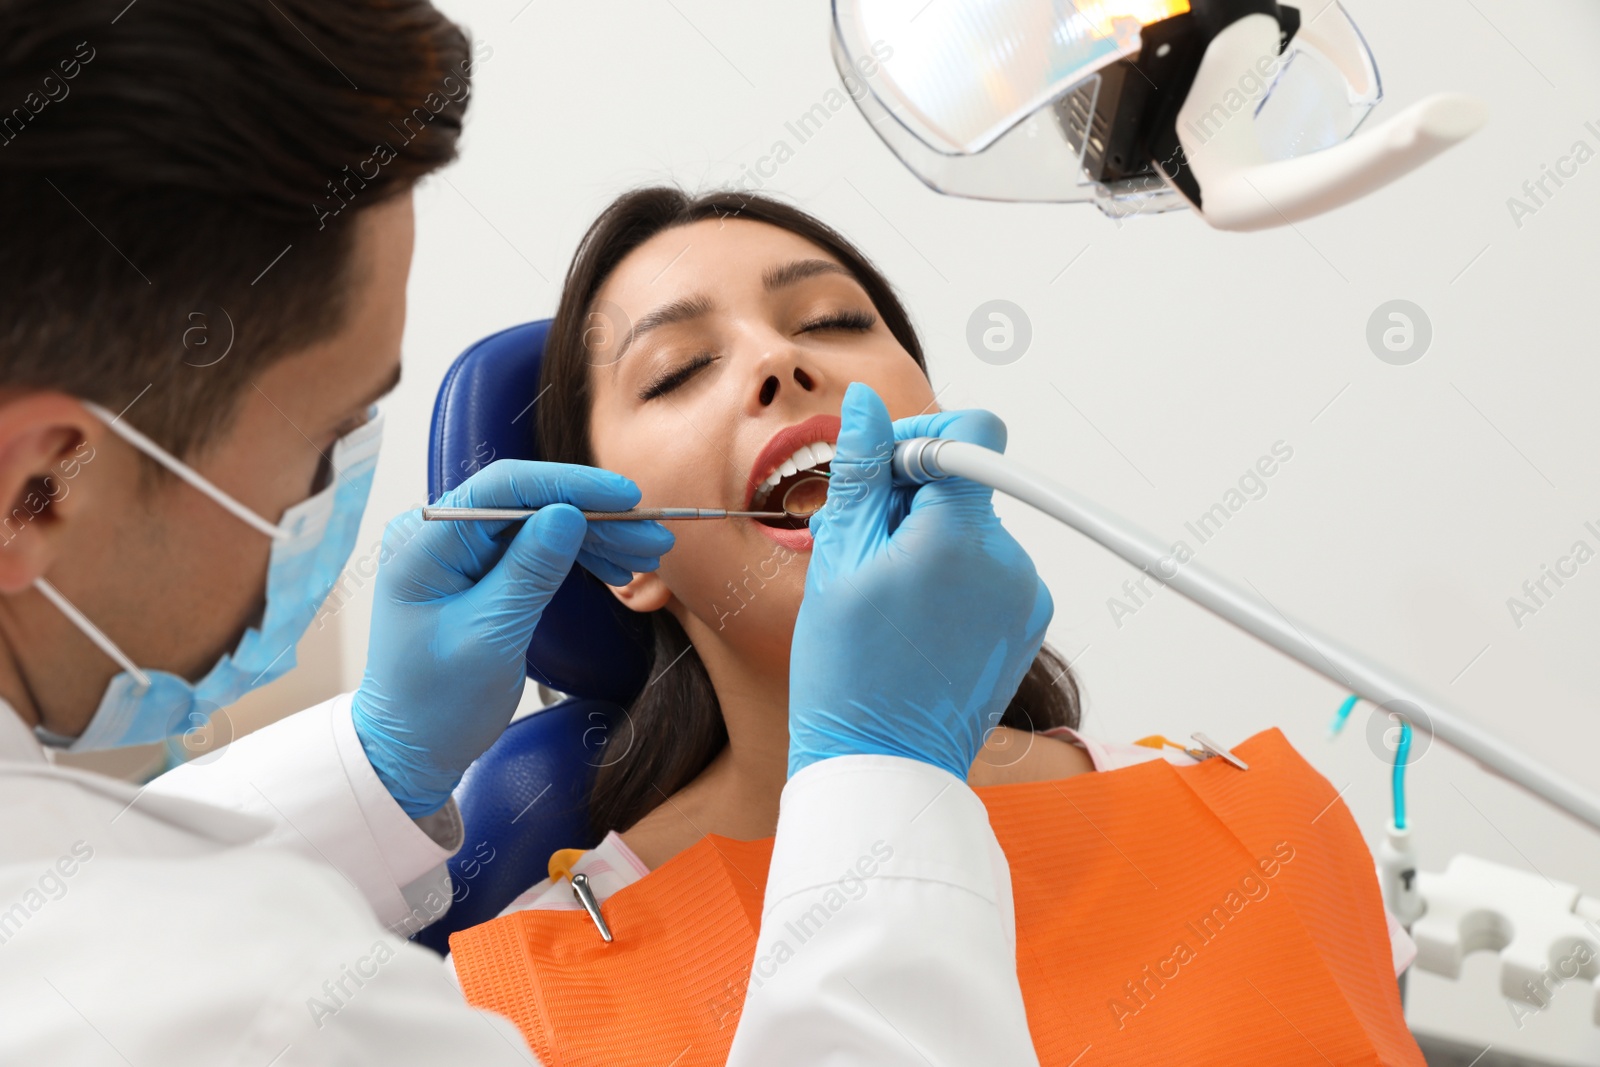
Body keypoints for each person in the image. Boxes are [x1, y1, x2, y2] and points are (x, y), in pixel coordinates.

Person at [0, 4, 1066, 1065]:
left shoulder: (1225, 786)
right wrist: (884, 774)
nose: (775, 367)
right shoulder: (433, 996)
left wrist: (377, 759)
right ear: (37, 489)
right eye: (327, 435)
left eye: (833, 321)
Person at [445, 187, 1427, 1066]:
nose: (778, 360)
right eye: (675, 369)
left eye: (830, 319)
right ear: (626, 559)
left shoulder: (1273, 822)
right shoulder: (518, 1011)